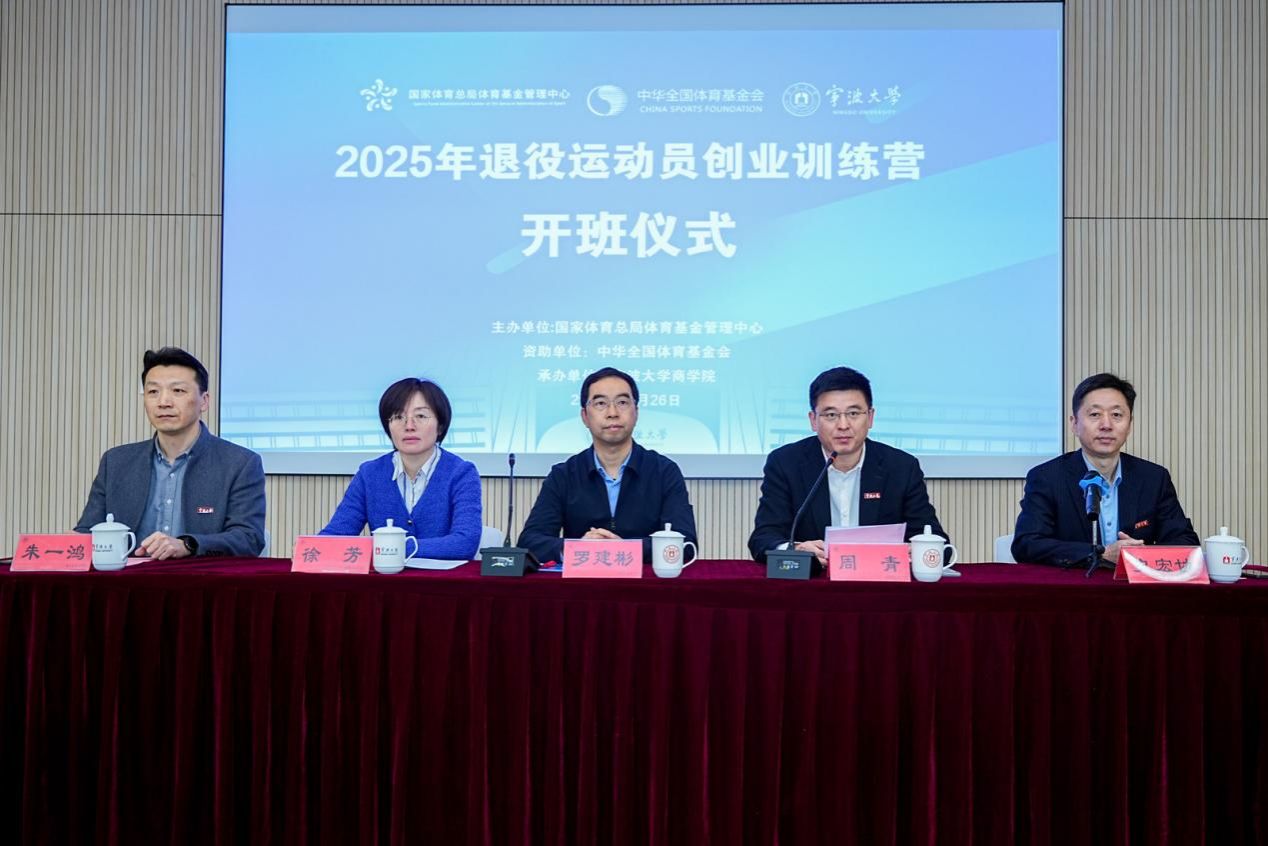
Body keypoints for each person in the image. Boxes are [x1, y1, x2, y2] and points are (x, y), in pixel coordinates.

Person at [74, 347, 266, 559]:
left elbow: (249, 538)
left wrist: (188, 545)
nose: (164, 402)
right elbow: (87, 531)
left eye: (178, 391)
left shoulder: (240, 463)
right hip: (128, 577)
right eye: (153, 392)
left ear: (204, 401)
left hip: (201, 577)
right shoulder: (116, 462)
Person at [748, 366, 947, 564]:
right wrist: (795, 549)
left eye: (853, 413)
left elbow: (936, 541)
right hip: (814, 580)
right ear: (813, 420)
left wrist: (918, 551)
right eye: (831, 415)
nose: (843, 425)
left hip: (879, 580)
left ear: (870, 417)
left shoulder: (901, 467)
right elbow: (763, 538)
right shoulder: (785, 463)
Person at [1012, 373, 1198, 567]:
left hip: (1134, 585)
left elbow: (1186, 542)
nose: (1106, 425)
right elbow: (1027, 545)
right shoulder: (1047, 477)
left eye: (1116, 415)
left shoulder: (1154, 478)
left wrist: (1142, 555)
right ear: (1074, 424)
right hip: (1074, 584)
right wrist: (1102, 554)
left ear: (1129, 424)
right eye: (1095, 414)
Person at [518, 367, 697, 564]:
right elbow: (529, 542)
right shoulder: (564, 475)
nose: (612, 413)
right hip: (582, 581)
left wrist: (626, 549)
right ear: (585, 416)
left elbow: (686, 544)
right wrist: (578, 548)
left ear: (636, 413)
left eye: (622, 402)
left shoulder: (664, 472)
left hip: (645, 581)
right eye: (601, 403)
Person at [321, 378, 482, 560]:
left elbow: (465, 542)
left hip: (443, 578)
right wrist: (312, 547)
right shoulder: (369, 474)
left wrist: (391, 548)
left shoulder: (461, 473)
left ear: (440, 426)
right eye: (398, 417)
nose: (409, 426)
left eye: (421, 416)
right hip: (385, 578)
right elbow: (337, 534)